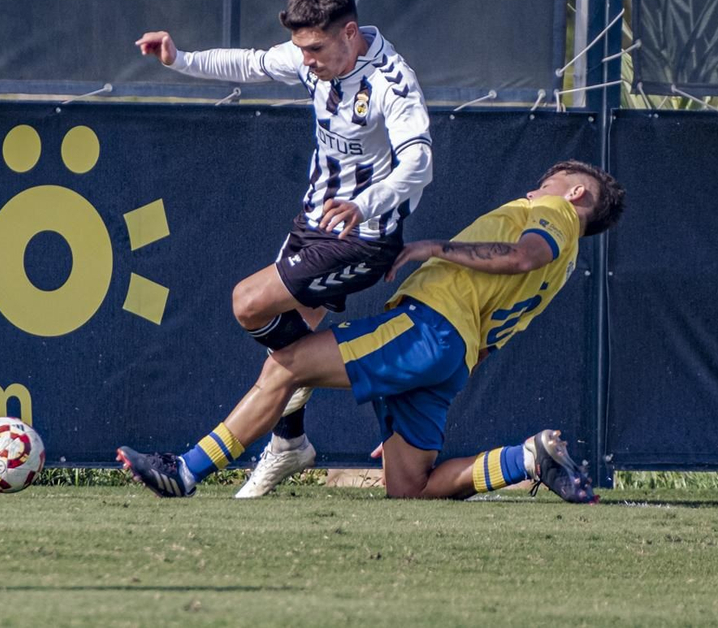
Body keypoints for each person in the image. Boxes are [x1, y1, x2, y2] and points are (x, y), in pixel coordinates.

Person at [116, 160, 626, 504]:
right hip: (453, 355)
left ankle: (187, 470)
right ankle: (526, 458)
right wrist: (425, 378)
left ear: (575, 192)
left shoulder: (555, 213)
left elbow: (522, 255)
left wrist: (433, 248)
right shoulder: (564, 269)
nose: (536, 190)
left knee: (285, 365)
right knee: (410, 488)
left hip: (428, 327)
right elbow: (493, 335)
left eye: (549, 182)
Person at [134, 0, 432, 497]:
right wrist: (178, 58)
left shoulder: (392, 82)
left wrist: (364, 205)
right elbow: (250, 64)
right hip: (314, 222)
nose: (307, 61)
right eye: (301, 49)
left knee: (248, 302)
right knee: (285, 356)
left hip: (362, 236)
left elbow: (419, 164)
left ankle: (195, 468)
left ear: (350, 33)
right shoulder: (309, 57)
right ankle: (285, 442)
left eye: (315, 48)